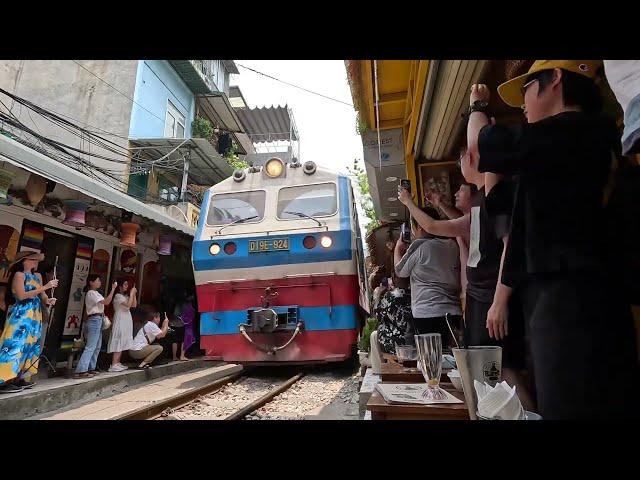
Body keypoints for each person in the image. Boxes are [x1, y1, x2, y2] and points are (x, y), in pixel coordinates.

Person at [474, 60, 640, 419]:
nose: (523, 104)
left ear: (555, 80)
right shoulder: (574, 144)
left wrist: (477, 109)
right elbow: (500, 200)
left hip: (574, 303)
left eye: (527, 89)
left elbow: (485, 145)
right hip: (582, 300)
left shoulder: (574, 130)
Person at [398, 147, 533, 410]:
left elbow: (435, 227)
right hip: (483, 300)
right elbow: (455, 226)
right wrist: (438, 204)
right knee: (495, 371)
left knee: (501, 372)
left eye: (463, 159)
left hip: (490, 300)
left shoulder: (490, 203)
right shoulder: (480, 210)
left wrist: (408, 202)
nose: (458, 190)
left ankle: (522, 414)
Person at [394, 206, 462, 347]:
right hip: (453, 311)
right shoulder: (453, 245)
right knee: (451, 358)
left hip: (426, 313)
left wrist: (397, 250)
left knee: (432, 359)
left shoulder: (420, 245)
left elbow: (400, 271)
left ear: (420, 226)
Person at [0, 251, 58, 392]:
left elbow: (42, 295)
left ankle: (19, 377)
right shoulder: (19, 275)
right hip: (22, 313)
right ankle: (3, 379)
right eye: (33, 260)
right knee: (15, 344)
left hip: (35, 314)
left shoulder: (37, 276)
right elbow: (21, 295)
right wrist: (45, 287)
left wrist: (47, 299)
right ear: (24, 261)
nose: (36, 263)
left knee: (30, 346)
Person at [427, 183, 476, 307]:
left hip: (474, 290)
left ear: (474, 196)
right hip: (470, 289)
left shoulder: (472, 220)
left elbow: (431, 226)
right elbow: (457, 220)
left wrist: (408, 202)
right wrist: (440, 204)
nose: (456, 194)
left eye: (461, 190)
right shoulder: (469, 220)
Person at [74, 275, 117, 379]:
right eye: (97, 280)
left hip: (98, 319)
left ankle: (90, 367)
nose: (99, 282)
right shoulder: (91, 293)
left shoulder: (95, 293)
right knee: (91, 346)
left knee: (97, 346)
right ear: (91, 282)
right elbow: (106, 302)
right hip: (94, 320)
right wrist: (113, 290)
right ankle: (81, 370)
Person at [374, 274, 413, 354]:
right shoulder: (415, 294)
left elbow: (378, 316)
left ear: (395, 279)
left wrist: (379, 294)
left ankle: (382, 363)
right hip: (416, 341)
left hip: (397, 344)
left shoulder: (390, 296)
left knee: (379, 329)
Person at [107, 279, 136, 372]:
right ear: (120, 286)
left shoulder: (125, 296)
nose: (126, 286)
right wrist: (131, 294)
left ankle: (117, 362)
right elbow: (128, 305)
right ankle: (114, 364)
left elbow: (134, 305)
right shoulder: (118, 296)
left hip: (126, 319)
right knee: (119, 339)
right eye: (125, 284)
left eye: (127, 284)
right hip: (120, 319)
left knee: (123, 339)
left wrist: (133, 294)